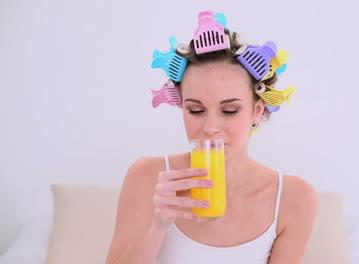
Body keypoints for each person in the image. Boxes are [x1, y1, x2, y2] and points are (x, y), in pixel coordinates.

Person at [106, 10, 317, 264]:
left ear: (257, 110)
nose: (210, 127)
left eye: (229, 111)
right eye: (196, 110)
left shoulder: (294, 197)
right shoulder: (148, 177)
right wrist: (156, 224)